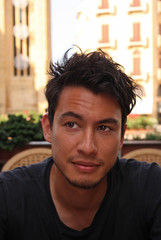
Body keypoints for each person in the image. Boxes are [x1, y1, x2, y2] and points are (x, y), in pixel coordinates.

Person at [0, 48, 161, 240]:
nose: (87, 147)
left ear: (121, 137)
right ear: (48, 128)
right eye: (72, 124)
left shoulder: (152, 188)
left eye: (104, 128)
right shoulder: (7, 197)